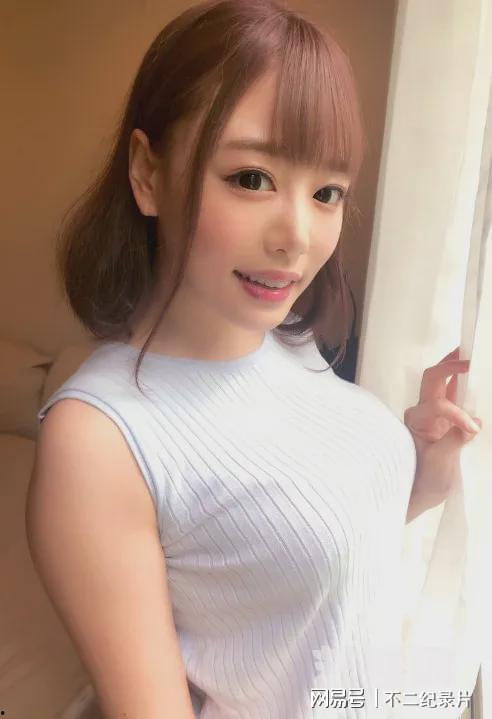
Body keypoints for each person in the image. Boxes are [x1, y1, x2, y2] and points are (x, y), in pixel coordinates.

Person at [25, 1, 419, 717]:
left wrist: (426, 460)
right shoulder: (99, 441)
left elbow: (302, 557)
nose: (297, 237)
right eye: (251, 178)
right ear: (148, 174)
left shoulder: (287, 334)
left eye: (327, 192)